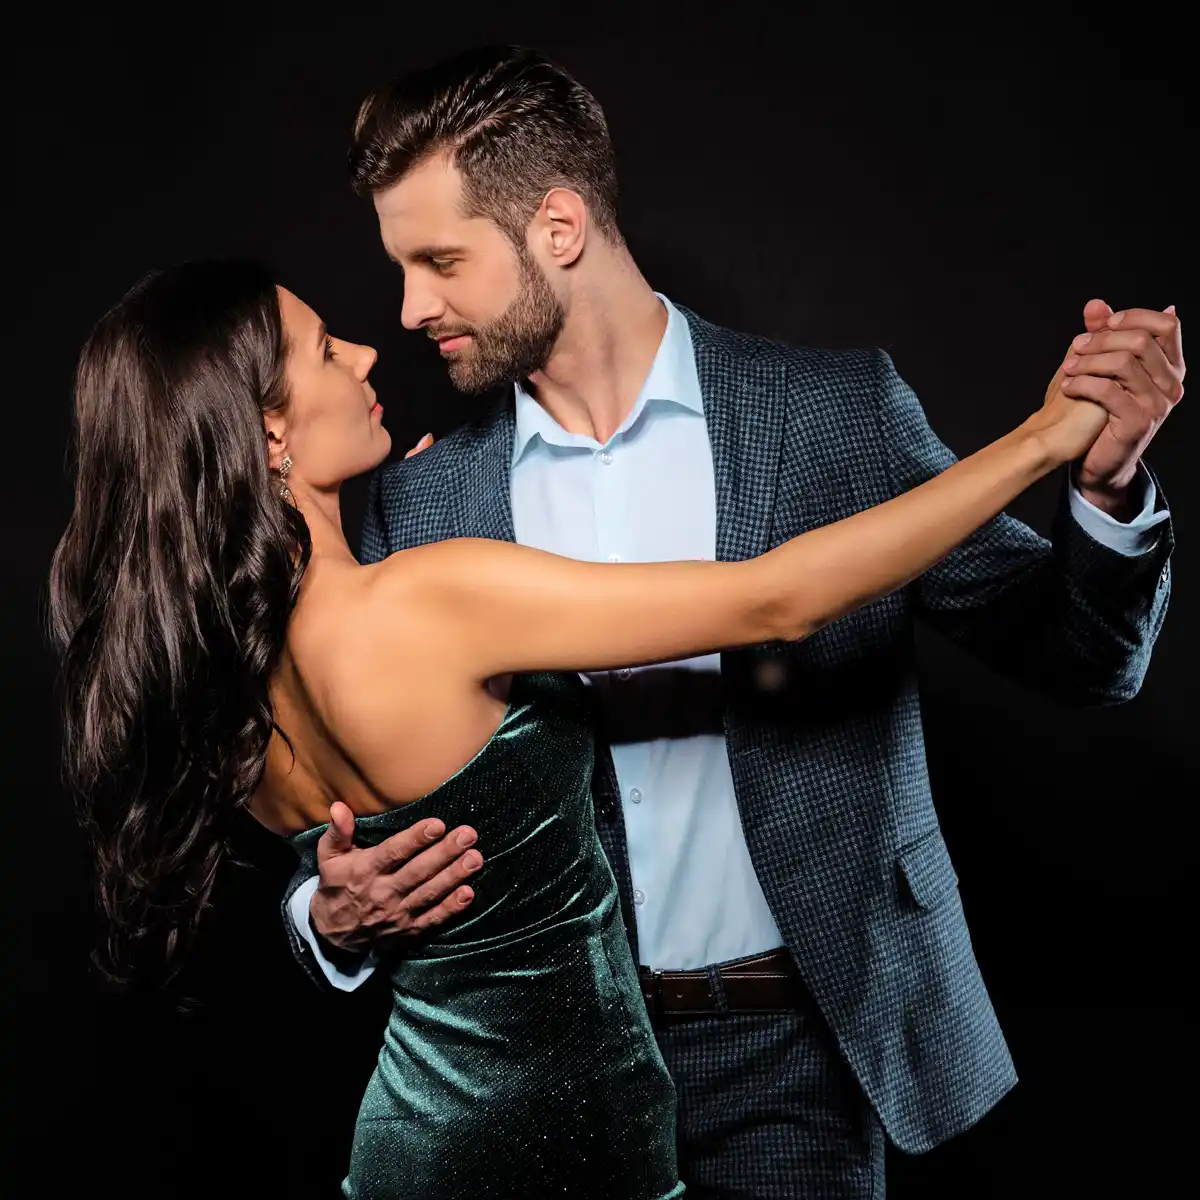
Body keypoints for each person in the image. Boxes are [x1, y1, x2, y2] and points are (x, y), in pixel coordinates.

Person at [284, 45, 1184, 1199]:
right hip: (552, 1082)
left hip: (801, 1060)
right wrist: (325, 910)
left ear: (558, 228)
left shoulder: (832, 415)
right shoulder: (422, 502)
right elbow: (329, 777)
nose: (411, 308)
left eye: (440, 261)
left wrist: (1104, 494)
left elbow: (1077, 657)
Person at [52, 257, 1125, 1198]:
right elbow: (775, 599)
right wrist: (1042, 440)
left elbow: (339, 844)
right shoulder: (430, 593)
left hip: (421, 1137)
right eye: (328, 348)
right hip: (585, 1132)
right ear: (269, 426)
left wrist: (326, 904)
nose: (373, 350)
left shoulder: (223, 678)